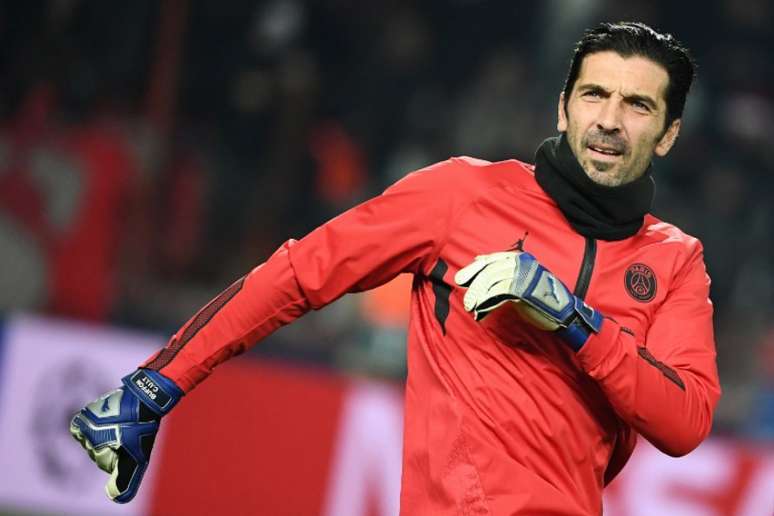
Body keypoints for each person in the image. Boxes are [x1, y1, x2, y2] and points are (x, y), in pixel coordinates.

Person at [70, 21, 721, 515]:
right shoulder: (462, 195)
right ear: (563, 106)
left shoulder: (674, 261)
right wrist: (157, 385)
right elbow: (300, 273)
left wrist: (573, 319)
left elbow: (684, 422)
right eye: (594, 95)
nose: (609, 120)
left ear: (667, 134)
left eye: (638, 106)